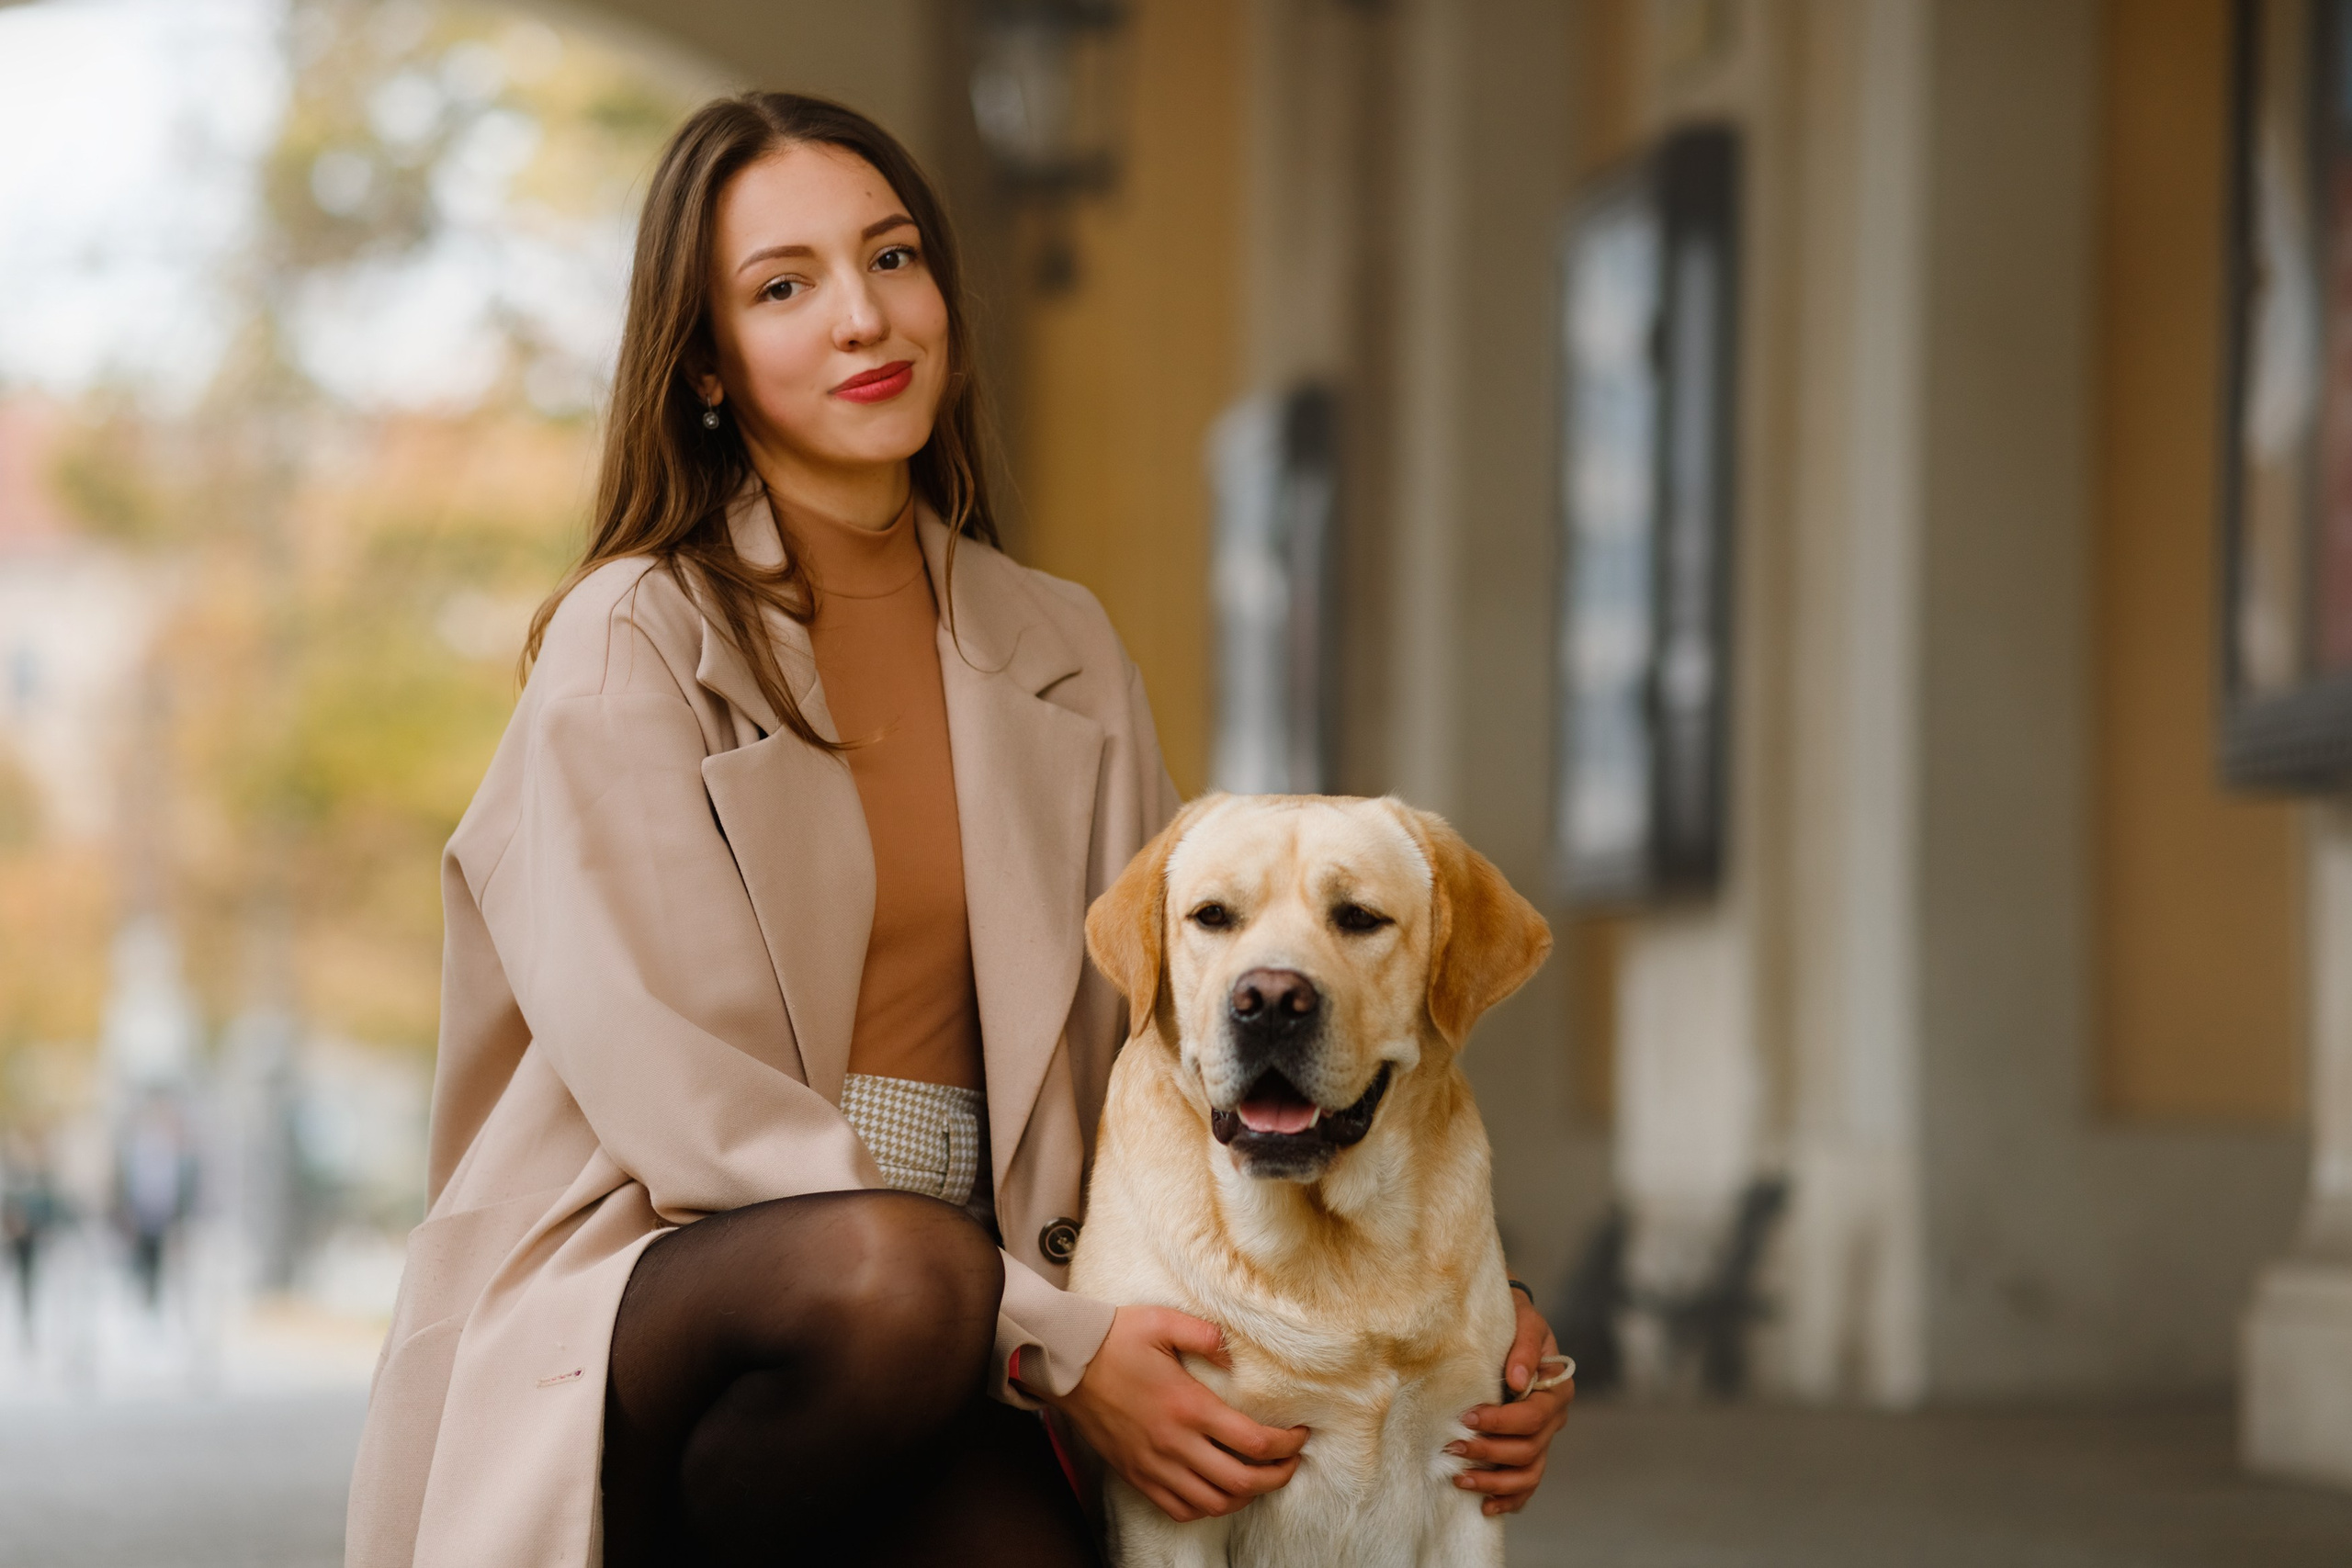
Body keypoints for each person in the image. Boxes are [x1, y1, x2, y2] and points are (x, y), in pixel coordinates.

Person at [343, 92, 1569, 1568]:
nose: (862, 317)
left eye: (895, 257)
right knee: (890, 1275)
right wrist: (1057, 1340)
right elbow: (690, 1112)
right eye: (783, 287)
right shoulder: (635, 639)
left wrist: (1457, 1308)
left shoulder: (1058, 641)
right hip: (666, 1287)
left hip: (971, 1306)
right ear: (709, 366)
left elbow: (1178, 1036)